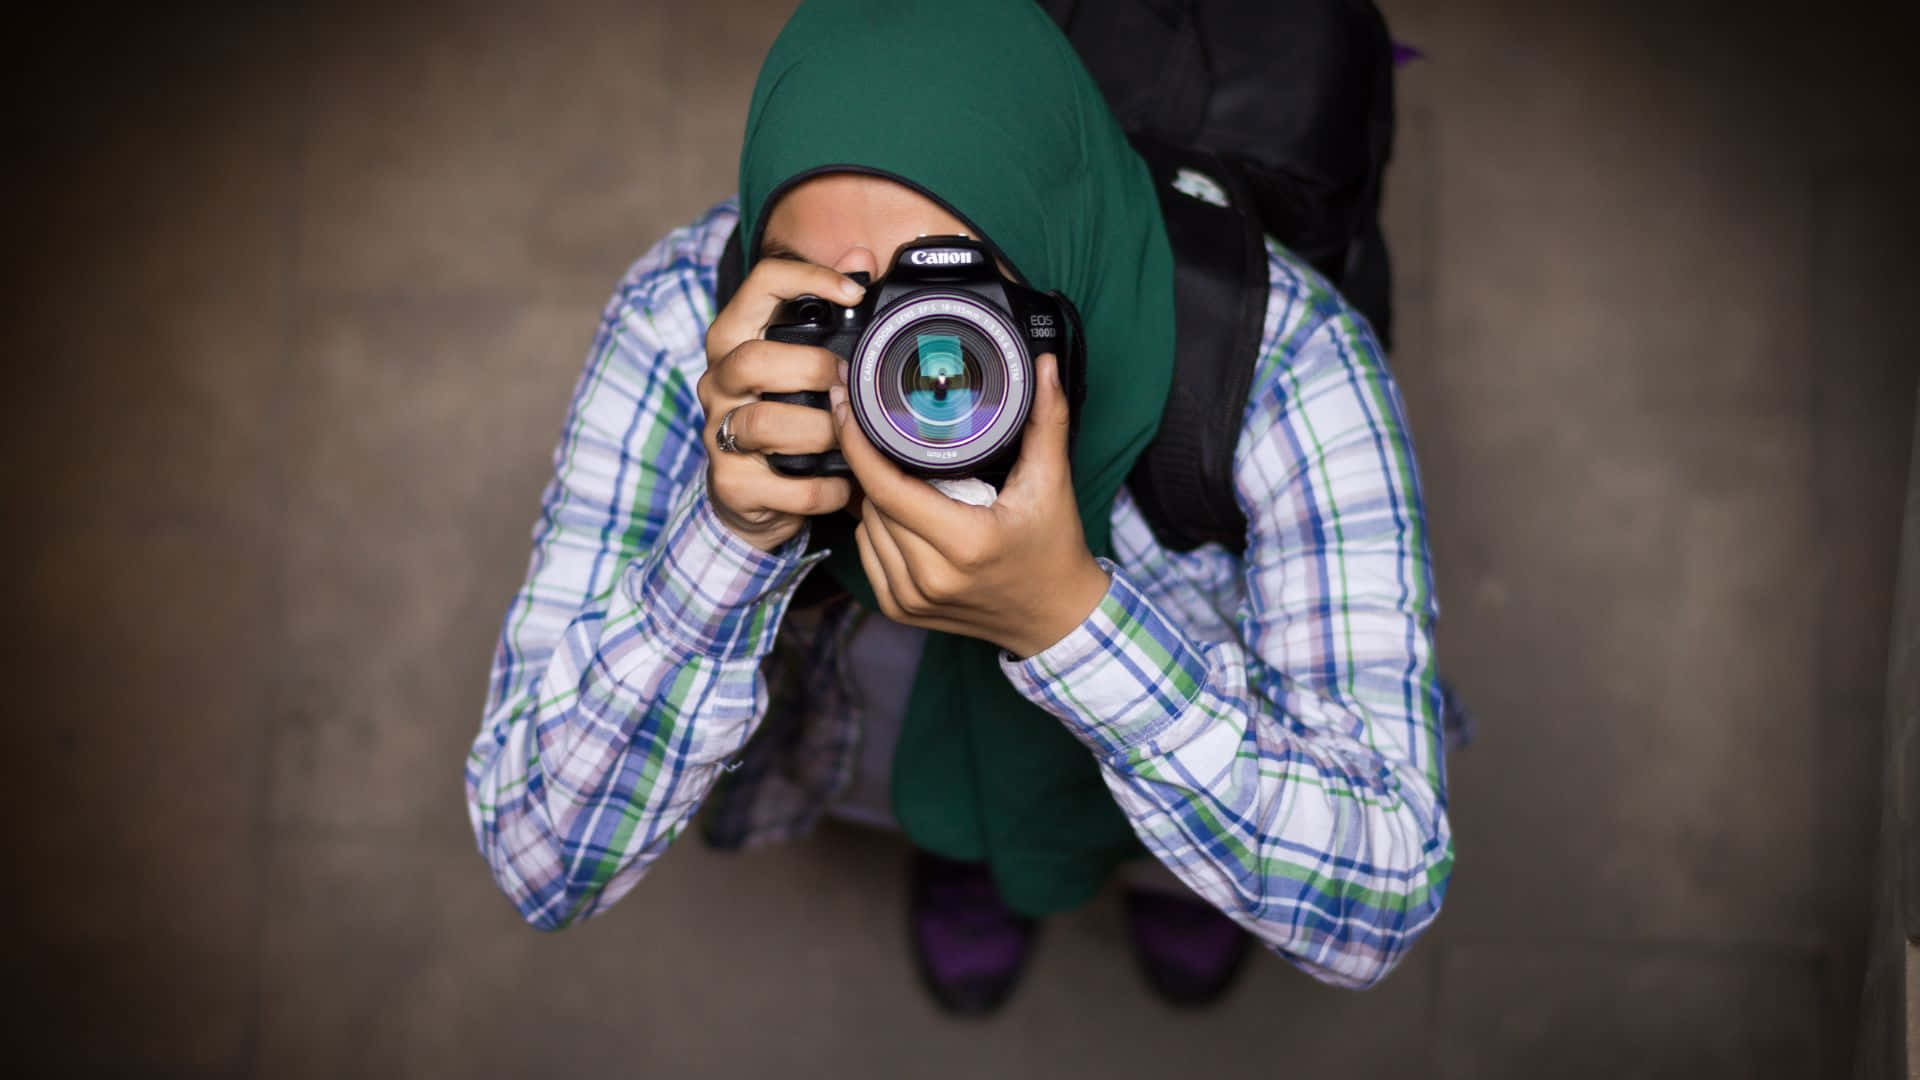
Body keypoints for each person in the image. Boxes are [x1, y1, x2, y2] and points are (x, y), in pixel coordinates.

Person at [466, 0, 1451, 1014]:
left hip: (1170, 694)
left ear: (1061, 255)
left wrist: (1064, 619)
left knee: (1216, 852)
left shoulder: (1288, 356)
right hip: (879, 692)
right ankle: (964, 853)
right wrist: (732, 534)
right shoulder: (695, 315)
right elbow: (538, 857)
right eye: (844, 305)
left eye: (956, 304)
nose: (917, 370)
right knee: (923, 784)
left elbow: (1375, 901)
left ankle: (1177, 883)